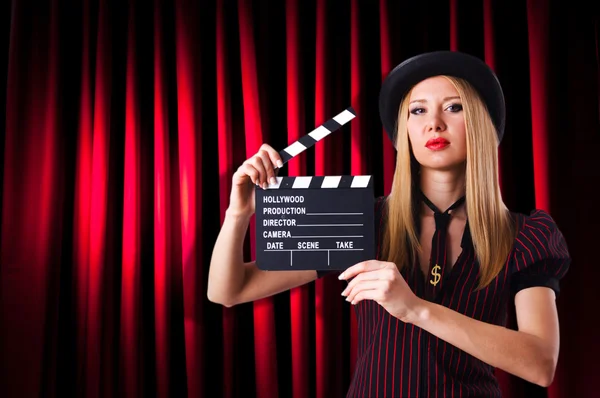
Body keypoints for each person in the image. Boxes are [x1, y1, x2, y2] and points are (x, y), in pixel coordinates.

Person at [207, 50, 571, 397]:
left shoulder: (525, 234)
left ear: (480, 124)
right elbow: (228, 292)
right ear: (403, 132)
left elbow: (539, 364)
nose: (434, 123)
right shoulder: (361, 216)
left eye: (454, 107)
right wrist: (238, 214)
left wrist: (416, 309)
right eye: (417, 110)